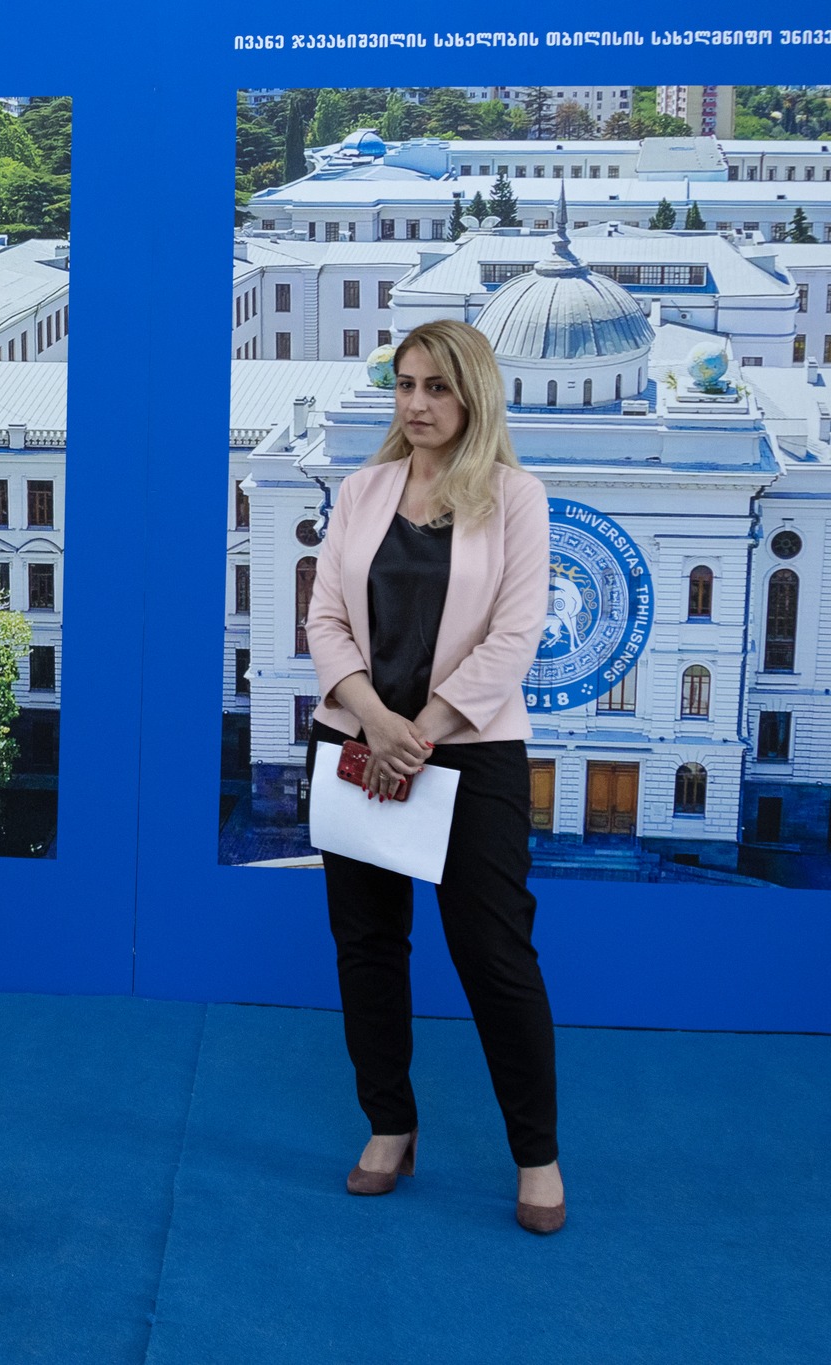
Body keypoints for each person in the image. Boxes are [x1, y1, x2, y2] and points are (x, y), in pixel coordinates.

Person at [302, 319, 565, 1234]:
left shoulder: (518, 498)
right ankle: (390, 1125)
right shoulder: (361, 490)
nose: (416, 404)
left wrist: (419, 733)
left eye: (437, 387)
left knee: (495, 955)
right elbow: (325, 620)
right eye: (406, 385)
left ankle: (537, 1154)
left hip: (470, 746)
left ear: (474, 395)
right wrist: (376, 723)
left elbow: (516, 636)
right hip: (356, 737)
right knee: (368, 945)